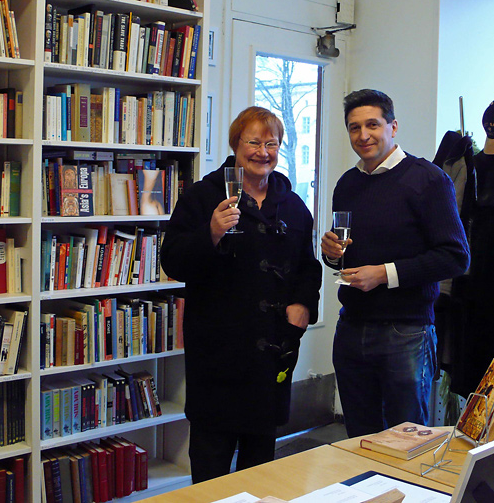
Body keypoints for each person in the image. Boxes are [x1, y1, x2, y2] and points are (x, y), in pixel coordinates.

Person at [160, 106, 322, 483]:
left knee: (260, 466)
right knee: (212, 467)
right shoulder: (202, 197)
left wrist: (303, 305)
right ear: (235, 145)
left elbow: (307, 266)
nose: (262, 151)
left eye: (272, 143)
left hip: (272, 356)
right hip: (219, 355)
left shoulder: (293, 205)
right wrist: (211, 233)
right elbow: (173, 262)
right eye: (253, 142)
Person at [321, 89, 470, 437]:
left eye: (372, 124)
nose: (363, 135)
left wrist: (384, 275)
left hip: (406, 332)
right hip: (352, 326)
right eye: (354, 127)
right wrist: (331, 252)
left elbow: (456, 256)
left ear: (393, 127)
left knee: (407, 440)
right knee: (358, 437)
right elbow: (344, 256)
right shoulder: (347, 184)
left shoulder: (428, 179)